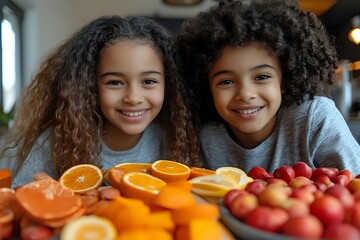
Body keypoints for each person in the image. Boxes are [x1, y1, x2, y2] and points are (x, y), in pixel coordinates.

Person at [0, 15, 201, 187]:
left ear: (169, 85)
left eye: (148, 81)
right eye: (115, 82)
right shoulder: (57, 141)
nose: (133, 97)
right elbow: (22, 198)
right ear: (89, 86)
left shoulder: (174, 140)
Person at [177, 0, 360, 174]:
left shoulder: (314, 118)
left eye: (262, 77)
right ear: (207, 86)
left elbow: (355, 187)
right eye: (226, 82)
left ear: (285, 80)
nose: (245, 94)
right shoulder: (204, 135)